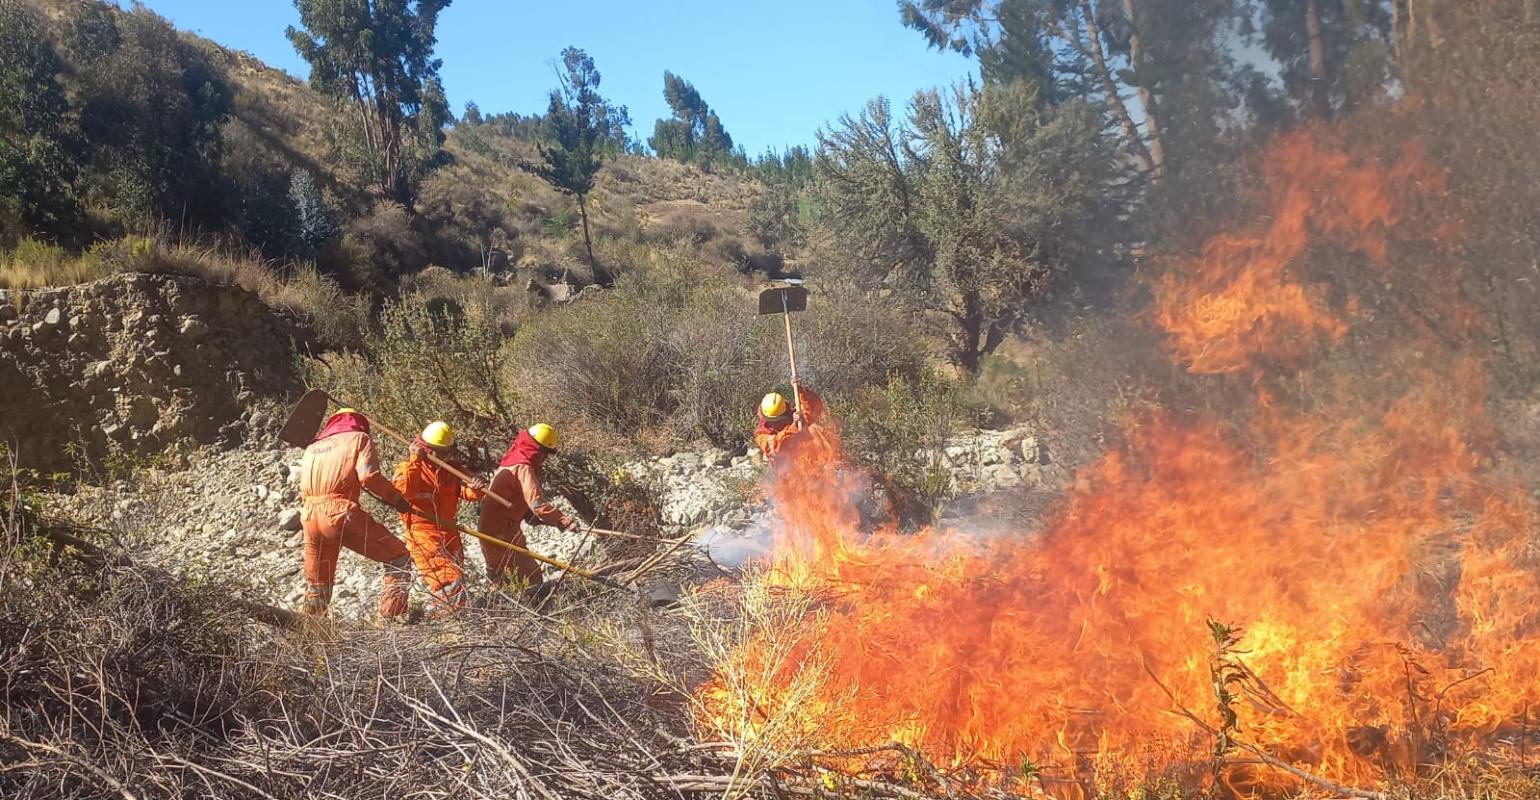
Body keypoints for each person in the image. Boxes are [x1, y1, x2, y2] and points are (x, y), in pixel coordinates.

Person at [297, 408, 415, 621]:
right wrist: (397, 500)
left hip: (309, 517)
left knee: (317, 584)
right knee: (399, 557)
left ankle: (310, 631)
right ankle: (391, 621)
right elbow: (369, 477)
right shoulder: (359, 438)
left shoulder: (312, 447)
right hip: (340, 514)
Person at [393, 421, 485, 612]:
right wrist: (415, 460)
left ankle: (457, 617)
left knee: (457, 575)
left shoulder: (450, 470)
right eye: (439, 452)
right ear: (427, 449)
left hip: (450, 531)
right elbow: (403, 493)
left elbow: (465, 493)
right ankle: (454, 625)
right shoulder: (409, 467)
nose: (444, 456)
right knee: (446, 578)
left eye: (447, 451)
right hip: (423, 534)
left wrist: (477, 488)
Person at [478, 423, 580, 590]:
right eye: (544, 454)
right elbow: (538, 505)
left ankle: (503, 611)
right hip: (500, 531)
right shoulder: (523, 467)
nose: (545, 458)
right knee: (529, 577)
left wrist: (552, 522)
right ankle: (535, 611)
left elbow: (525, 508)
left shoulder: (513, 459)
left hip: (496, 528)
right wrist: (565, 520)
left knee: (502, 578)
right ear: (536, 449)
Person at [754, 382, 824, 459]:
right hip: (787, 468)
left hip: (808, 459)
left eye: (778, 420)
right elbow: (778, 446)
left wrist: (801, 391)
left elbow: (813, 409)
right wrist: (794, 426)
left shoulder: (792, 415)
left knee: (815, 429)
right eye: (772, 420)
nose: (775, 423)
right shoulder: (762, 435)